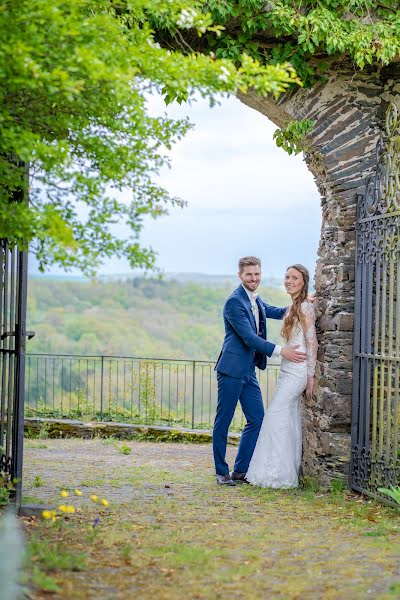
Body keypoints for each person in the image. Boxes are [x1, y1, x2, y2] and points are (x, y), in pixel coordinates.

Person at [213, 256, 307, 486]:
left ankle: (241, 470)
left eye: (256, 274)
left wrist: (301, 303)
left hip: (249, 371)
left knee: (257, 419)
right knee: (223, 421)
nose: (254, 278)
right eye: (249, 275)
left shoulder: (254, 298)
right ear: (240, 276)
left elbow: (274, 311)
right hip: (231, 370)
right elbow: (249, 337)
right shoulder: (234, 302)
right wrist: (281, 351)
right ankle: (221, 471)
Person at [246, 264, 317, 488]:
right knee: (287, 417)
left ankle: (275, 473)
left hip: (298, 371)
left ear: (303, 282)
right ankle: (283, 471)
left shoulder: (305, 308)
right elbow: (281, 311)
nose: (289, 281)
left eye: (294, 278)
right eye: (287, 277)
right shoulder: (294, 307)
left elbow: (312, 341)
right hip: (287, 370)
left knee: (275, 414)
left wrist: (311, 377)